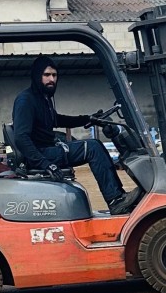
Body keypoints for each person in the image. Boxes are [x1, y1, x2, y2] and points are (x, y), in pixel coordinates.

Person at [12, 55, 142, 215]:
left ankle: (118, 196)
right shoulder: (26, 100)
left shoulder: (43, 100)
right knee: (93, 147)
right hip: (41, 155)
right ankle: (116, 200)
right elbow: (21, 138)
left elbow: (58, 119)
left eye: (54, 75)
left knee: (94, 145)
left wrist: (89, 119)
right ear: (37, 76)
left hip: (47, 151)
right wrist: (46, 164)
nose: (51, 79)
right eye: (46, 75)